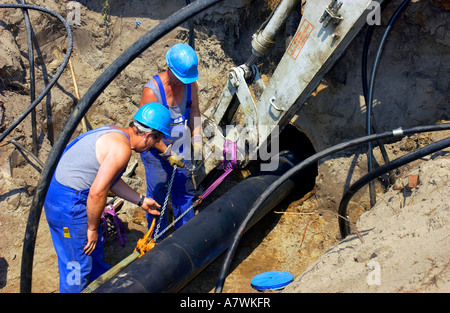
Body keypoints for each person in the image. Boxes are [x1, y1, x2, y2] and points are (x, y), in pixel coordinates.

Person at [44, 102, 171, 293]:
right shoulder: (122, 149)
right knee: (76, 266)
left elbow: (110, 180)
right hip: (68, 205)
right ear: (147, 136)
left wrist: (141, 200)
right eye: (156, 140)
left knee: (93, 251)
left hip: (61, 195)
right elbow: (97, 192)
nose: (153, 146)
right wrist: (92, 228)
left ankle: (102, 285)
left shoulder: (115, 133)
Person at [139, 43, 202, 239]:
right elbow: (145, 133)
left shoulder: (190, 84)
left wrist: (197, 137)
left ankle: (187, 238)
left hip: (180, 144)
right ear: (169, 68)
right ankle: (157, 242)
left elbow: (194, 112)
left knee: (184, 194)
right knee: (158, 197)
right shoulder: (152, 92)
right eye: (180, 78)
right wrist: (167, 153)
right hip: (156, 151)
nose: (183, 82)